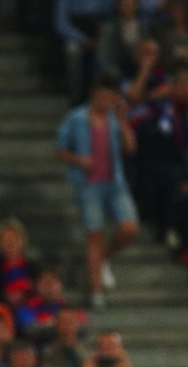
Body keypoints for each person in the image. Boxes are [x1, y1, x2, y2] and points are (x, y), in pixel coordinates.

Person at [56, 76, 140, 306]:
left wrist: (123, 121)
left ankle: (102, 259)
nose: (106, 100)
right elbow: (60, 150)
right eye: (103, 95)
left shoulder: (115, 120)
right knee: (95, 234)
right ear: (95, 94)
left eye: (110, 96)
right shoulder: (76, 118)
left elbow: (130, 147)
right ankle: (96, 291)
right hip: (88, 184)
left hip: (115, 182)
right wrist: (79, 159)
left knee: (129, 228)